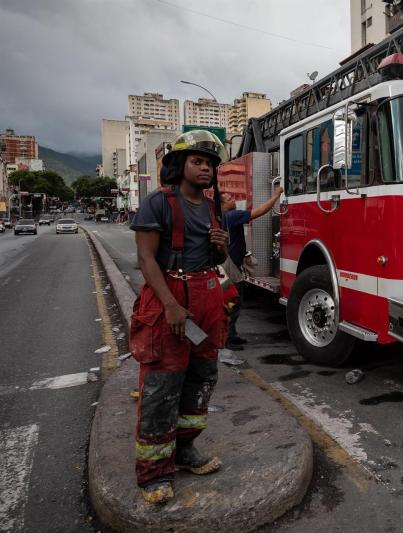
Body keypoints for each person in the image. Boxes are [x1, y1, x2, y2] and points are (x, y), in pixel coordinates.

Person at [128, 130, 230, 504]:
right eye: (198, 161)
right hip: (170, 295)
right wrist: (170, 304)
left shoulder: (211, 206)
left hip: (206, 297)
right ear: (179, 165)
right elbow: (146, 259)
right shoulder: (157, 203)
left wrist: (221, 250)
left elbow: (217, 261)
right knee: (161, 386)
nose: (205, 169)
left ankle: (185, 452)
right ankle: (153, 472)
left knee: (201, 379)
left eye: (209, 164)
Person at [220, 187, 283, 349]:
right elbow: (259, 212)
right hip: (230, 268)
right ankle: (227, 338)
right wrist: (276, 195)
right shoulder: (231, 216)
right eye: (228, 199)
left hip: (231, 265)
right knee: (233, 302)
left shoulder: (224, 217)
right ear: (222, 205)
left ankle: (231, 335)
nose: (232, 200)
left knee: (232, 302)